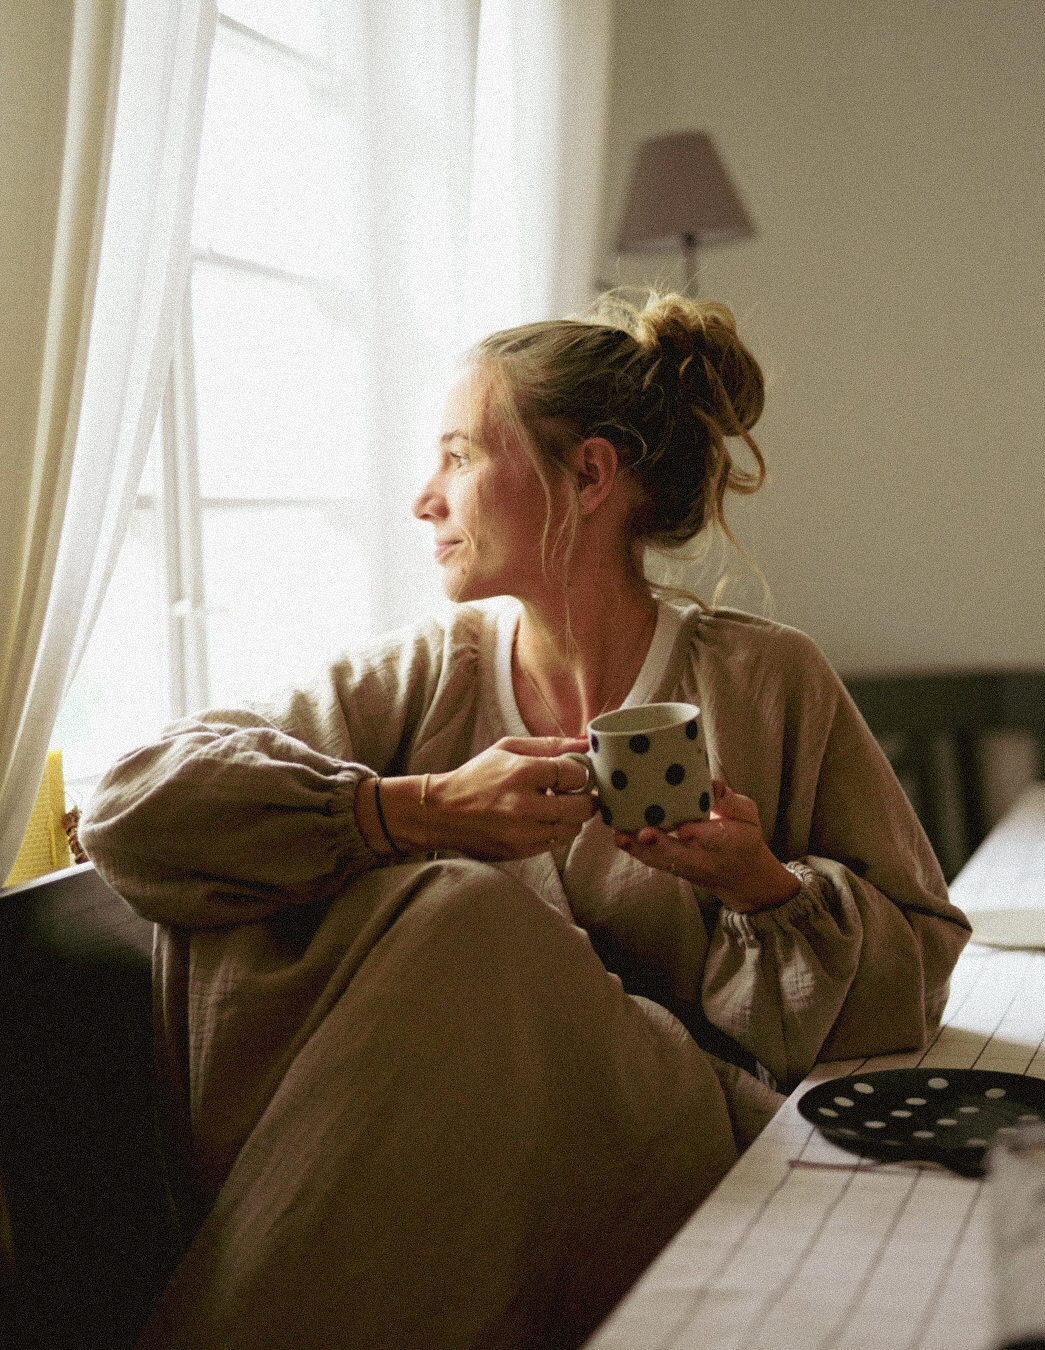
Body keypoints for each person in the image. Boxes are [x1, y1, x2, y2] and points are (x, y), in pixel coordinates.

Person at [82, 292, 971, 1350]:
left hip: (672, 1158)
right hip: (455, 1178)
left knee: (466, 919)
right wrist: (408, 810)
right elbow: (130, 804)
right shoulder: (420, 677)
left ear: (590, 476)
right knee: (448, 907)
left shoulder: (766, 681)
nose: (424, 500)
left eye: (458, 456)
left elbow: (920, 966)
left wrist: (762, 886)